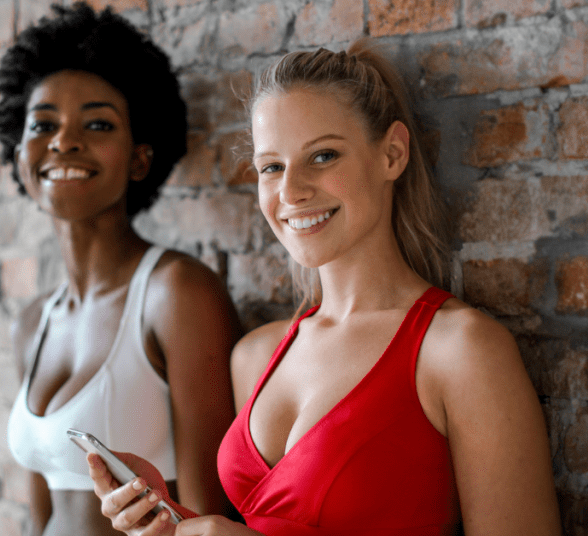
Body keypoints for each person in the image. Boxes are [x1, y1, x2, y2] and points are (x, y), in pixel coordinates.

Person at [87, 40, 561, 535]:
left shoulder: (460, 351)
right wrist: (168, 519)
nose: (291, 191)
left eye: (323, 156)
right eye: (271, 167)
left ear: (392, 154)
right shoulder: (254, 355)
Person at [0, 4, 242, 535]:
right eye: (44, 125)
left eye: (98, 123)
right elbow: (40, 517)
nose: (64, 140)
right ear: (19, 157)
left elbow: (212, 520)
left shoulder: (177, 293)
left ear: (140, 159)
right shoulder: (31, 323)